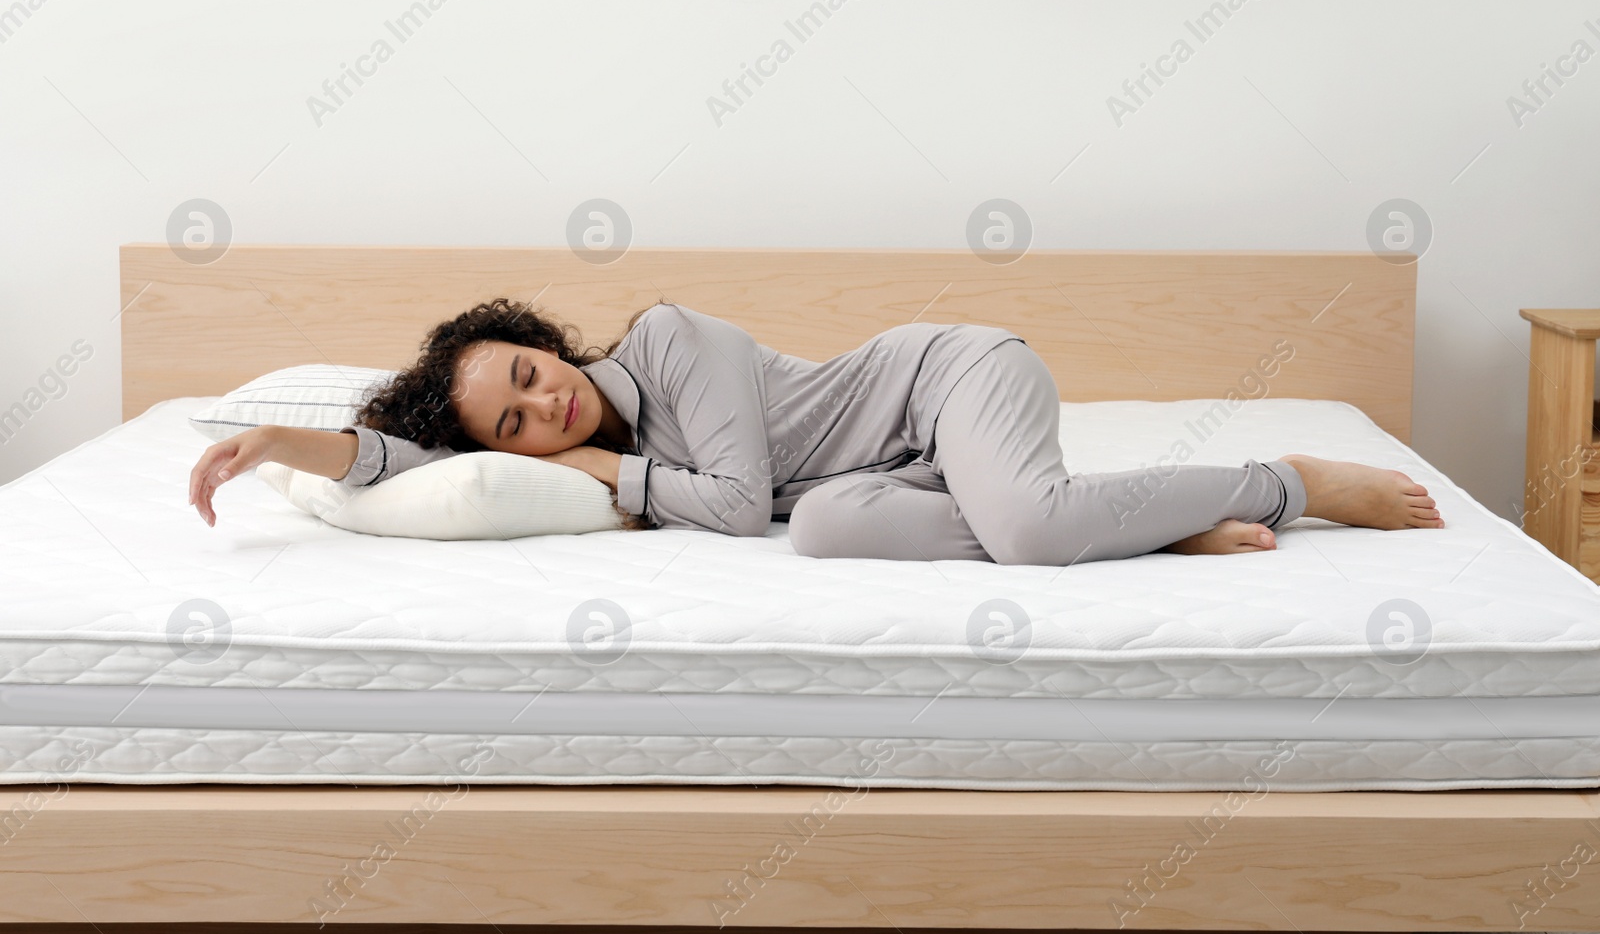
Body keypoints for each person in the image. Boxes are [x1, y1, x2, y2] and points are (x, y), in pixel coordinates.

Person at [188, 298, 1444, 563]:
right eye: (511, 422)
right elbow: (414, 467)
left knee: (1023, 533)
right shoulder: (532, 451)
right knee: (826, 526)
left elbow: (733, 499)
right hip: (884, 474)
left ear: (551, 341)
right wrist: (280, 446)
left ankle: (1286, 479)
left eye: (529, 371)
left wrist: (615, 471)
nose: (540, 406)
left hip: (951, 382)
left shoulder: (674, 341)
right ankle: (1151, 525)